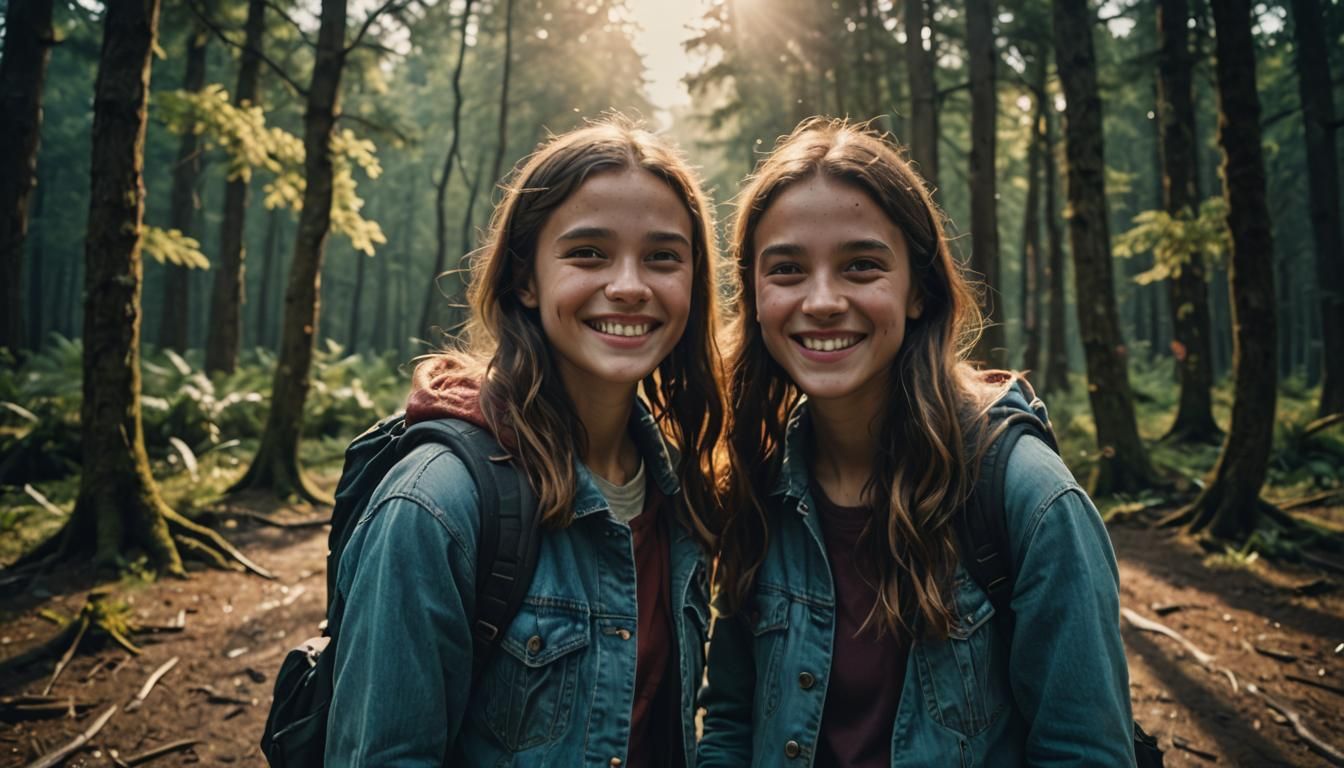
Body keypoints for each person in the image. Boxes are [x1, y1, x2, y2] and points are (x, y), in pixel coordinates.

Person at [697, 119, 1134, 767]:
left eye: (861, 266)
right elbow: (733, 722)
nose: (821, 300)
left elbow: (1084, 753)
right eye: (787, 269)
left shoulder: (1030, 499)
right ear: (756, 297)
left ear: (919, 290)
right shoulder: (757, 485)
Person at [325, 118, 724, 767]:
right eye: (588, 252)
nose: (629, 284)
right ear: (525, 280)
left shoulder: (683, 489)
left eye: (662, 256)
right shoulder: (434, 505)